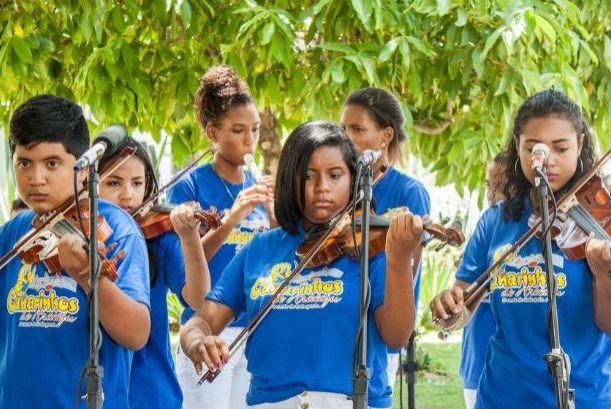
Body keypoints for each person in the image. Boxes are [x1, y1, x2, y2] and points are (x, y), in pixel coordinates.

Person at [180, 121, 422, 409]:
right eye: (308, 176)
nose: (322, 188)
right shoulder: (260, 248)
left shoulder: (370, 247)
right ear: (289, 180)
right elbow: (200, 321)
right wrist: (198, 341)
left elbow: (396, 337)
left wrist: (398, 259)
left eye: (335, 175)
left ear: (353, 179)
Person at [430, 89, 611, 409]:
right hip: (502, 396)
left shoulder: (599, 218)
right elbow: (461, 310)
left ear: (580, 145)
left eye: (561, 148)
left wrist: (603, 274)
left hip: (584, 396)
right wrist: (450, 310)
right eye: (534, 148)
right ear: (518, 146)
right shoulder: (495, 221)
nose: (548, 160)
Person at [0, 94, 150, 409]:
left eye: (52, 163)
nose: (36, 179)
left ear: (82, 169)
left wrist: (86, 276)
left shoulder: (116, 229)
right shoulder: (14, 232)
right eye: (24, 163)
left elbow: (136, 333)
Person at [168, 65, 274, 409]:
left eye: (255, 130)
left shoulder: (256, 186)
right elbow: (191, 258)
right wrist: (231, 219)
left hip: (254, 326)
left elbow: (273, 256)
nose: (250, 141)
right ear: (213, 133)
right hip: (208, 328)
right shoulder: (191, 185)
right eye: (238, 130)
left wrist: (276, 214)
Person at [97, 136, 212, 409]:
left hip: (151, 393)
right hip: (98, 393)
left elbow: (198, 298)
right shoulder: (81, 242)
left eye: (137, 183)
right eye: (114, 183)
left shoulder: (157, 240)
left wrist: (190, 238)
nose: (128, 195)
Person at [341, 87, 431, 390]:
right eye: (343, 129)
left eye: (357, 129)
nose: (346, 138)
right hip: (338, 315)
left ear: (385, 136)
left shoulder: (409, 192)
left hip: (381, 321)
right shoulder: (340, 186)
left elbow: (411, 267)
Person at [459, 151, 507, 409]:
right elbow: (462, 290)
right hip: (477, 358)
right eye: (489, 186)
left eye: (501, 187)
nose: (492, 195)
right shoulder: (487, 226)